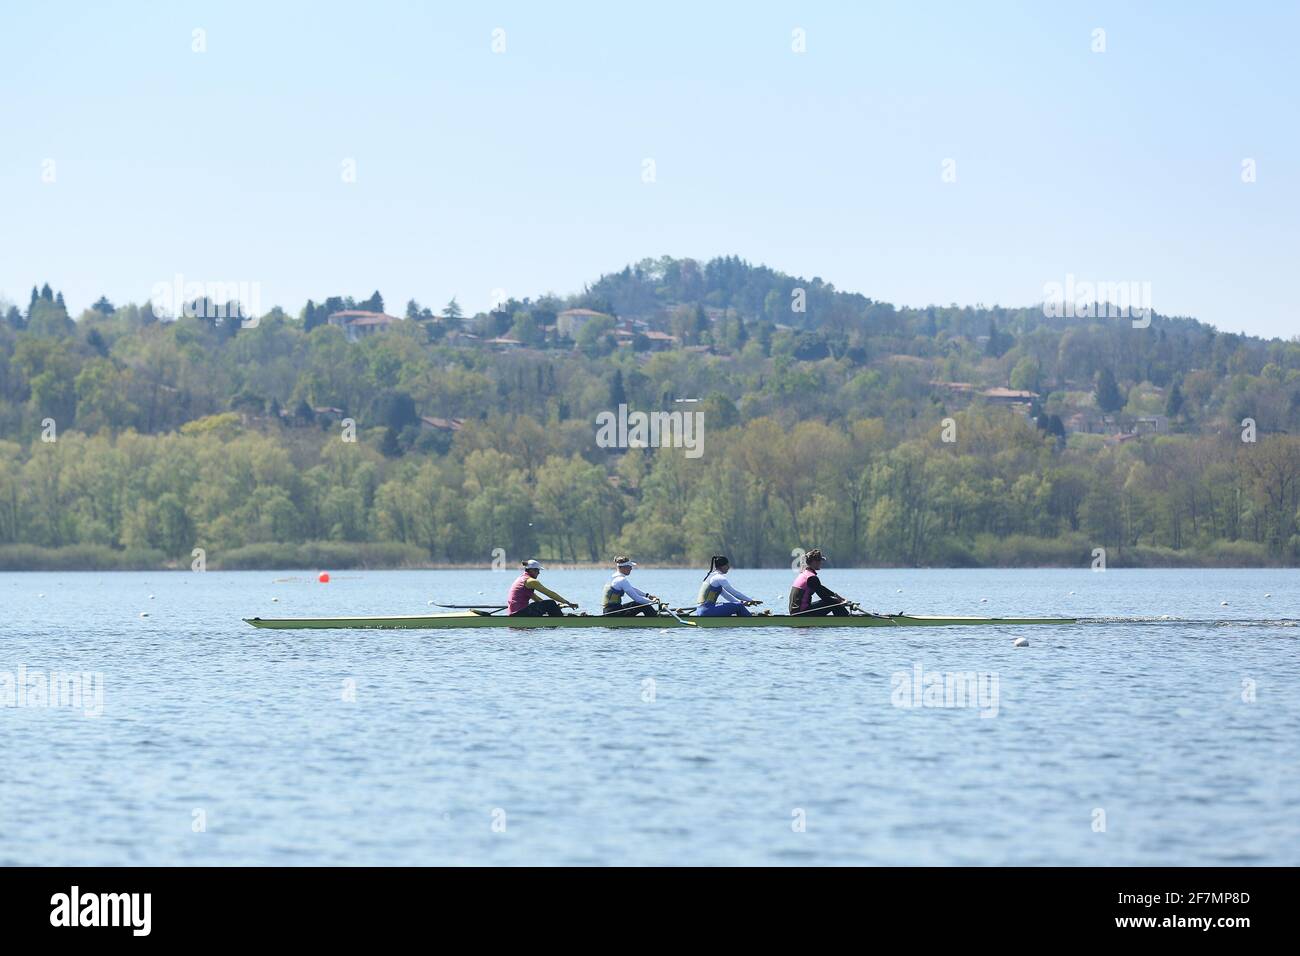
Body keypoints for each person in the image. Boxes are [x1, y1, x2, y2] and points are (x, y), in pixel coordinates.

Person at [694, 555, 761, 617]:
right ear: (721, 566)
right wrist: (751, 600)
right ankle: (751, 620)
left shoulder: (711, 577)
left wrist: (742, 603)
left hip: (699, 611)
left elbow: (726, 595)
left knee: (738, 605)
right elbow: (734, 593)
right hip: (708, 611)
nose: (729, 567)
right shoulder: (719, 578)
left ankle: (744, 616)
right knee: (739, 606)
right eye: (727, 565)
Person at [788, 548, 849, 616]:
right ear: (814, 562)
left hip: (796, 612)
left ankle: (843, 618)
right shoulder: (811, 578)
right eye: (820, 561)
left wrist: (836, 595)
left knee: (833, 601)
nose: (821, 563)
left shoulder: (804, 574)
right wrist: (840, 602)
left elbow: (820, 588)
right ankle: (847, 620)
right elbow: (824, 597)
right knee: (833, 602)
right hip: (801, 613)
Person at [507, 559, 578, 617]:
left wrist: (556, 606)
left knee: (550, 605)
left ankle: (559, 618)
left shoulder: (520, 579)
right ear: (532, 570)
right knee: (551, 602)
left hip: (515, 613)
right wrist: (568, 603)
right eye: (538, 570)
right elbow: (549, 593)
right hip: (520, 613)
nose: (539, 573)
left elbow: (537, 599)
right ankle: (562, 621)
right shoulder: (531, 581)